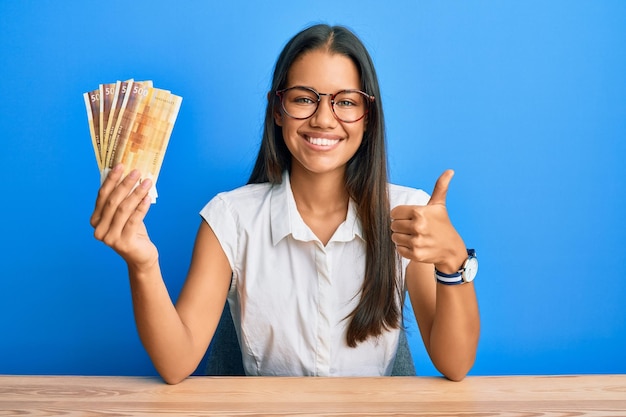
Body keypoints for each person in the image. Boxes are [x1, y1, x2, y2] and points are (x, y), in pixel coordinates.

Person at [90, 24, 480, 384]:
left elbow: (455, 363)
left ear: (368, 117)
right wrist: (142, 264)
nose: (324, 119)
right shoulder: (230, 218)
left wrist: (452, 263)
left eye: (345, 102)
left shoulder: (409, 215)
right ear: (277, 110)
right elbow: (176, 365)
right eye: (304, 99)